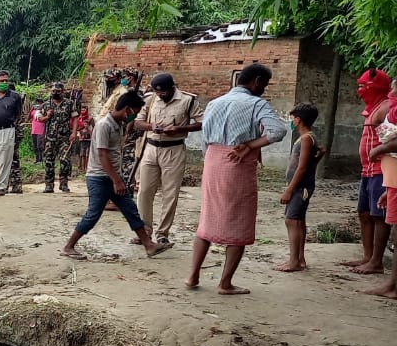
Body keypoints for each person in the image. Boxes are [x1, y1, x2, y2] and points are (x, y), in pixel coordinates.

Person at [185, 63, 288, 295]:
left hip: (212, 161)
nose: (264, 89)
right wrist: (250, 145)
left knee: (207, 219)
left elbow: (204, 140)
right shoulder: (256, 103)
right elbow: (277, 131)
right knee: (239, 221)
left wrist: (213, 158)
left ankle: (192, 276)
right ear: (257, 81)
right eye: (265, 84)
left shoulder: (214, 103)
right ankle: (225, 283)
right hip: (238, 163)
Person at [60, 92, 173, 260]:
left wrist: (116, 179)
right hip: (100, 177)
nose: (135, 116)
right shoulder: (104, 125)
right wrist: (117, 181)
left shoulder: (118, 124)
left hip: (113, 177)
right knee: (93, 214)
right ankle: (68, 246)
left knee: (130, 209)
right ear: (127, 110)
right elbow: (103, 156)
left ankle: (149, 245)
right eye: (134, 112)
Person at [132, 73, 202, 245]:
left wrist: (179, 128)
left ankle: (163, 232)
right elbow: (137, 122)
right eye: (158, 93)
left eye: (164, 92)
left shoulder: (188, 100)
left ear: (172, 87)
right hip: (151, 148)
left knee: (170, 193)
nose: (161, 95)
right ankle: (145, 231)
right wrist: (151, 126)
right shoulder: (150, 99)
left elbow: (201, 122)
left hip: (174, 149)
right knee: (144, 191)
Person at [342, 69, 392, 274]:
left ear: (376, 87)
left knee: (378, 215)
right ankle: (367, 256)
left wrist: (379, 151)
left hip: (381, 168)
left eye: (363, 87)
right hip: (367, 170)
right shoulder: (373, 108)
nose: (359, 91)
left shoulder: (387, 107)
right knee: (363, 213)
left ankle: (376, 261)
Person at [276, 103, 323, 273]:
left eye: (294, 117)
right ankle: (299, 259)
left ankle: (294, 261)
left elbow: (302, 167)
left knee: (292, 220)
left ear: (299, 120)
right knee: (299, 220)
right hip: (301, 186)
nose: (292, 120)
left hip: (300, 187)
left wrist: (289, 189)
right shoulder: (308, 138)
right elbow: (309, 164)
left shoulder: (306, 139)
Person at [363, 90, 397, 298]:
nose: (391, 93)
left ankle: (394, 287)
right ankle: (392, 284)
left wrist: (379, 149)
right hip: (393, 185)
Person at [40, 82, 77, 193]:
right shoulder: (46, 105)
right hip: (50, 138)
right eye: (53, 91)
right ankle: (49, 185)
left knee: (65, 160)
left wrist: (74, 133)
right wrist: (47, 115)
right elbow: (40, 119)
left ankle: (64, 183)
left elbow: (75, 118)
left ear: (62, 92)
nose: (55, 93)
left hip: (64, 137)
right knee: (49, 161)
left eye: (58, 91)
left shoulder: (69, 103)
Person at [74, 107, 92, 171]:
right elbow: (76, 126)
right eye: (81, 110)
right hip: (80, 135)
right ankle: (80, 166)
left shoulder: (89, 118)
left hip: (87, 138)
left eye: (84, 110)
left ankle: (86, 167)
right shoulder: (79, 118)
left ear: (86, 110)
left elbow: (93, 126)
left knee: (86, 155)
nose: (82, 111)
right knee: (79, 153)